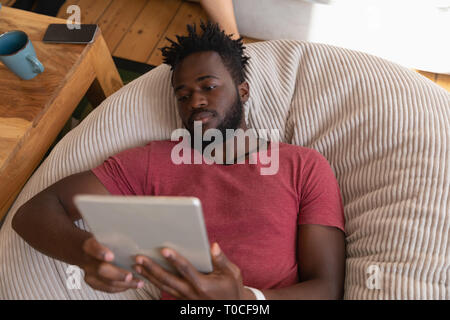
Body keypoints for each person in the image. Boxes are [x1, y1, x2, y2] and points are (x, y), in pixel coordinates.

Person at [12, 20, 345, 300]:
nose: (195, 101)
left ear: (243, 91)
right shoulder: (153, 161)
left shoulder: (303, 166)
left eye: (209, 87)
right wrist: (86, 254)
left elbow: (326, 287)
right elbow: (34, 212)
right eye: (182, 95)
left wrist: (244, 300)